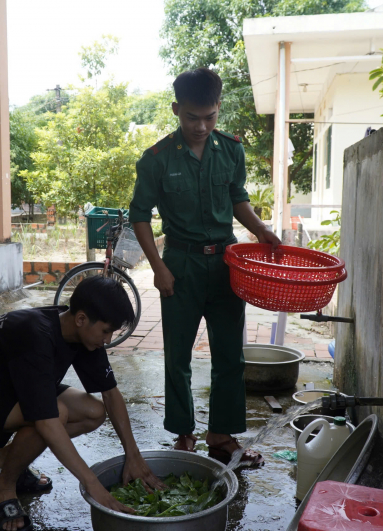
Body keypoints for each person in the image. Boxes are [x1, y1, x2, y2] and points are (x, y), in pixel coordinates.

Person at [129, 67, 281, 467]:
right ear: (177, 109)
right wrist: (158, 267)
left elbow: (237, 198)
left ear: (218, 109)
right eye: (192, 117)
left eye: (210, 117)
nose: (201, 126)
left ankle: (222, 434)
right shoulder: (156, 159)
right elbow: (140, 216)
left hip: (227, 263)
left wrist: (261, 230)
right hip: (179, 265)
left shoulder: (231, 149)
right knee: (178, 354)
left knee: (230, 354)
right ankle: (184, 433)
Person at [0, 276, 165, 531]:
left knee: (94, 412)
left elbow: (110, 393)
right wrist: (92, 484)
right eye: (106, 331)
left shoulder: (80, 332)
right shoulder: (35, 333)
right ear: (82, 319)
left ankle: (12, 458)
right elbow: (46, 419)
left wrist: (134, 455)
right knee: (55, 415)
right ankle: (3, 487)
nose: (107, 340)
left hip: (18, 388)